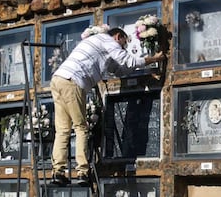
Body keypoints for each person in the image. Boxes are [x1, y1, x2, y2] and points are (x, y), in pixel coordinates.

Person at [49, 27, 165, 186]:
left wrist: (143, 71)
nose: (123, 48)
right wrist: (152, 59)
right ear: (118, 36)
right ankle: (83, 172)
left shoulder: (97, 43)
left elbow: (119, 70)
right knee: (81, 127)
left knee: (62, 130)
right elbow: (128, 61)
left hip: (58, 79)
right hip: (73, 81)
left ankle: (58, 172)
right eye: (123, 44)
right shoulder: (107, 40)